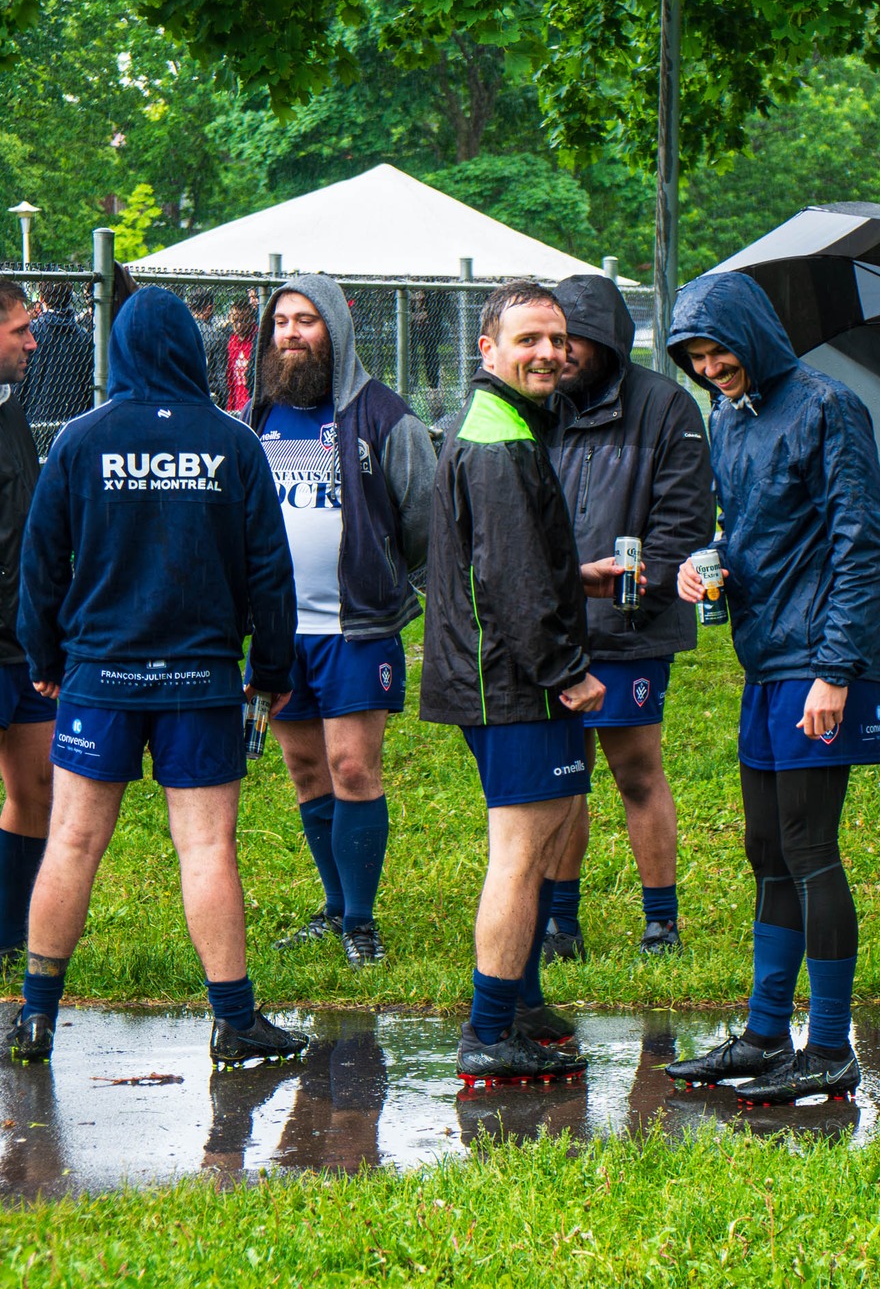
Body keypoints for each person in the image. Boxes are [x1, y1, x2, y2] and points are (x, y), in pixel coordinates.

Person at [3, 287, 305, 1066]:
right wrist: (269, 672)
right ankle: (235, 1022)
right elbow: (272, 574)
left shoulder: (79, 440)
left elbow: (40, 567)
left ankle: (36, 1017)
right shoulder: (232, 443)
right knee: (206, 848)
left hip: (99, 677)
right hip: (201, 678)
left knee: (70, 840)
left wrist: (43, 660)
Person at [662, 271, 880, 1105]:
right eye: (694, 355)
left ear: (753, 332)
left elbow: (865, 542)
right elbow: (751, 527)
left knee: (808, 846)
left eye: (719, 347)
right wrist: (706, 560)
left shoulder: (828, 406)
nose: (711, 365)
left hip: (820, 663)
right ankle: (766, 1034)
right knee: (766, 847)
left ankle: (830, 1046)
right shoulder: (730, 418)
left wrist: (836, 670)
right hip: (765, 665)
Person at [420, 281, 610, 1085]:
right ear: (487, 348)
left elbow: (516, 563)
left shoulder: (510, 423)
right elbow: (510, 577)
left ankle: (524, 1002)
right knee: (520, 850)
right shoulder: (497, 436)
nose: (548, 353)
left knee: (544, 838)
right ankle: (488, 1028)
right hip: (513, 684)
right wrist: (566, 671)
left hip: (507, 674)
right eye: (528, 338)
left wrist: (578, 578)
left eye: (557, 339)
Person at [245, 276, 436, 968]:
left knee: (353, 765)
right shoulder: (255, 418)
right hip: (278, 633)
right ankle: (332, 906)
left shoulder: (382, 415)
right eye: (282, 322)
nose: (291, 333)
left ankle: (361, 921)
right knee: (303, 767)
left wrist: (397, 584)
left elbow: (425, 522)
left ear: (337, 330)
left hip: (355, 629)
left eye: (307, 321)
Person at [540, 273, 714, 959]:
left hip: (630, 627)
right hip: (551, 625)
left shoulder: (667, 409)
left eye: (571, 339)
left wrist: (634, 593)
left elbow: (684, 523)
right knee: (561, 772)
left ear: (607, 339)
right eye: (550, 339)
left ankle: (661, 923)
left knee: (636, 770)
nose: (558, 353)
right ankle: (561, 925)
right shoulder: (536, 404)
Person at [0, 283, 52, 966]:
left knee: (37, 788)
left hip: (23, 645)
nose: (32, 341)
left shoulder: (13, 412)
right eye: (19, 330)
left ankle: (11, 934)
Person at [15, 282, 90, 448]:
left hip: (36, 419)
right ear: (69, 299)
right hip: (74, 422)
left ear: (42, 299)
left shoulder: (31, 334)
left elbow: (19, 384)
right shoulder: (82, 336)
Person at [190, 295, 231, 403]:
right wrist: (224, 399)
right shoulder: (217, 336)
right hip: (210, 392)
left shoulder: (181, 332)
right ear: (209, 308)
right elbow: (221, 373)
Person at [224, 300, 256, 413]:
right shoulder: (232, 342)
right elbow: (230, 379)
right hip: (237, 405)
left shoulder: (257, 340)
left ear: (251, 319)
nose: (239, 326)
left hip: (252, 404)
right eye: (235, 321)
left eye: (243, 321)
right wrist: (230, 408)